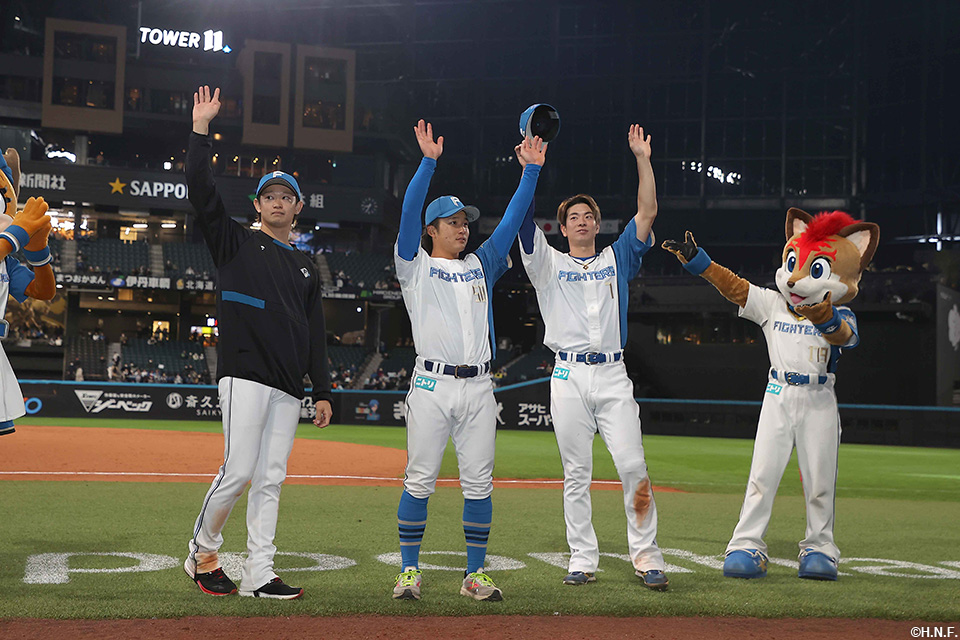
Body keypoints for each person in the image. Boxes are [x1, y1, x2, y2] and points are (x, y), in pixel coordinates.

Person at [183, 86, 333, 600]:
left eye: (285, 196)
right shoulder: (235, 242)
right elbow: (201, 193)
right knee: (239, 470)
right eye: (269, 195)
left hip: (290, 385)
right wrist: (201, 130)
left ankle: (260, 573)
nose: (277, 202)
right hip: (245, 372)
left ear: (297, 207)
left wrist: (325, 389)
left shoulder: (306, 266)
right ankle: (202, 550)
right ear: (258, 204)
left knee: (270, 480)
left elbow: (315, 333)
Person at [391, 120, 547, 602]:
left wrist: (531, 174)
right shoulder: (414, 266)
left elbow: (510, 220)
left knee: (479, 484)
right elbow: (409, 211)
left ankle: (474, 574)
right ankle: (409, 571)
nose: (463, 228)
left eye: (465, 222)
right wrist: (428, 163)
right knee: (420, 479)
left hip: (479, 388)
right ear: (432, 230)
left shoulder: (481, 263)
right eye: (454, 222)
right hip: (433, 386)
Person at [517, 125, 669, 590]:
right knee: (575, 473)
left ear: (597, 225)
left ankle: (646, 556)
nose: (582, 221)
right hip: (567, 376)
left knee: (633, 466)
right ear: (561, 229)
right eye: (573, 217)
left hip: (612, 375)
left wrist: (643, 158)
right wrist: (529, 172)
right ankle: (582, 558)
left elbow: (647, 211)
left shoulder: (617, 257)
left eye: (588, 215)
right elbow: (521, 224)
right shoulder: (546, 263)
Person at [0, 148, 55, 436]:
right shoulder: (7, 245)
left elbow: (44, 292)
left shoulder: (5, 259)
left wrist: (39, 255)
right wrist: (17, 233)